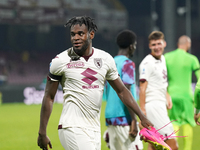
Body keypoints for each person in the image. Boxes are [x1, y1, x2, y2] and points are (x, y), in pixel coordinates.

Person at [37, 16, 153, 150]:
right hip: (71, 127)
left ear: (91, 34)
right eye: (73, 34)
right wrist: (42, 132)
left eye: (80, 33)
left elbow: (121, 91)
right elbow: (49, 96)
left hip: (94, 129)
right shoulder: (60, 61)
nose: (76, 37)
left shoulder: (105, 59)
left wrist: (142, 116)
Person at [139, 31, 178, 150]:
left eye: (159, 44)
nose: (157, 47)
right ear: (149, 46)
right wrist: (142, 113)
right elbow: (142, 88)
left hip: (161, 105)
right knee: (172, 145)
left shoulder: (163, 60)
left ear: (164, 43)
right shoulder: (147, 62)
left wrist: (166, 95)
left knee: (154, 145)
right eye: (154, 44)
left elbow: (160, 82)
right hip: (153, 107)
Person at [104, 30, 143, 150]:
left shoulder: (109, 63)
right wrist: (134, 120)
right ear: (131, 46)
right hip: (123, 117)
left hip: (110, 116)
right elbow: (127, 91)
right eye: (135, 45)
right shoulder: (128, 64)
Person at [164, 35, 200, 150]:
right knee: (187, 123)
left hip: (172, 95)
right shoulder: (192, 59)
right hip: (186, 96)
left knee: (174, 122)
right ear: (188, 44)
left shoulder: (167, 57)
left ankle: (173, 147)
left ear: (178, 44)